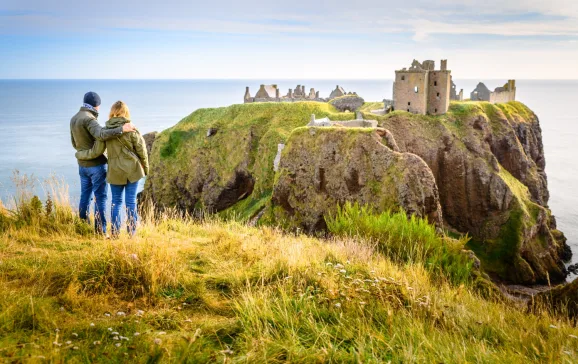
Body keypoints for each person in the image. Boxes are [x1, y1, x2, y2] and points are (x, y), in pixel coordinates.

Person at [76, 101, 148, 238]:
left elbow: (97, 151)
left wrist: (81, 154)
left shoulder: (105, 131)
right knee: (131, 202)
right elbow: (142, 150)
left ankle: (114, 234)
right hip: (133, 170)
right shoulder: (131, 129)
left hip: (115, 171)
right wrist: (145, 168)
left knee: (116, 202)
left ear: (112, 112)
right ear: (125, 112)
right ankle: (132, 234)